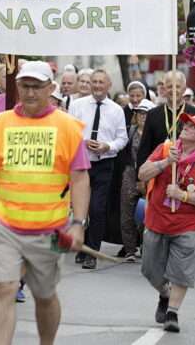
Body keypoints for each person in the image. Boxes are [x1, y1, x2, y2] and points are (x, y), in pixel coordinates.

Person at [0, 61, 89, 345]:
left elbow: (80, 178)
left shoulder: (68, 126)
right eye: (24, 86)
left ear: (51, 89)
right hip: (4, 223)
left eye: (37, 87)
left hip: (49, 228)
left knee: (44, 296)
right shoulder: (0, 123)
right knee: (4, 288)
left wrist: (78, 225)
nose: (30, 93)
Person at [138, 113, 195, 333]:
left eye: (193, 126)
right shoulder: (166, 149)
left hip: (186, 224)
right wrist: (166, 162)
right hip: (156, 220)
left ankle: (172, 312)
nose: (186, 127)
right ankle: (164, 294)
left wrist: (183, 196)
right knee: (150, 270)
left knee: (181, 271)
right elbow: (142, 173)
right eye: (186, 123)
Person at [68, 70, 128, 269]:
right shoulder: (77, 106)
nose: (97, 85)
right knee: (81, 209)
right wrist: (83, 141)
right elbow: (69, 132)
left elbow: (122, 138)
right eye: (94, 81)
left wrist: (108, 146)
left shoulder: (116, 110)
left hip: (104, 163)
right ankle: (83, 245)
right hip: (81, 163)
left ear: (109, 85)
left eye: (101, 82)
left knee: (97, 208)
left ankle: (92, 252)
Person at [136, 71, 195, 170]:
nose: (173, 90)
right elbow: (144, 149)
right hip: (158, 170)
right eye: (169, 86)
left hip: (188, 171)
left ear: (184, 89)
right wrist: (140, 179)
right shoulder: (152, 114)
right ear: (164, 88)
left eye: (177, 86)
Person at [119, 99, 155, 262]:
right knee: (127, 211)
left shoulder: (155, 134)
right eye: (140, 113)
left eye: (147, 114)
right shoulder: (130, 131)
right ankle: (129, 249)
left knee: (146, 213)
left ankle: (145, 246)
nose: (143, 116)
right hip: (130, 173)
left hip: (149, 175)